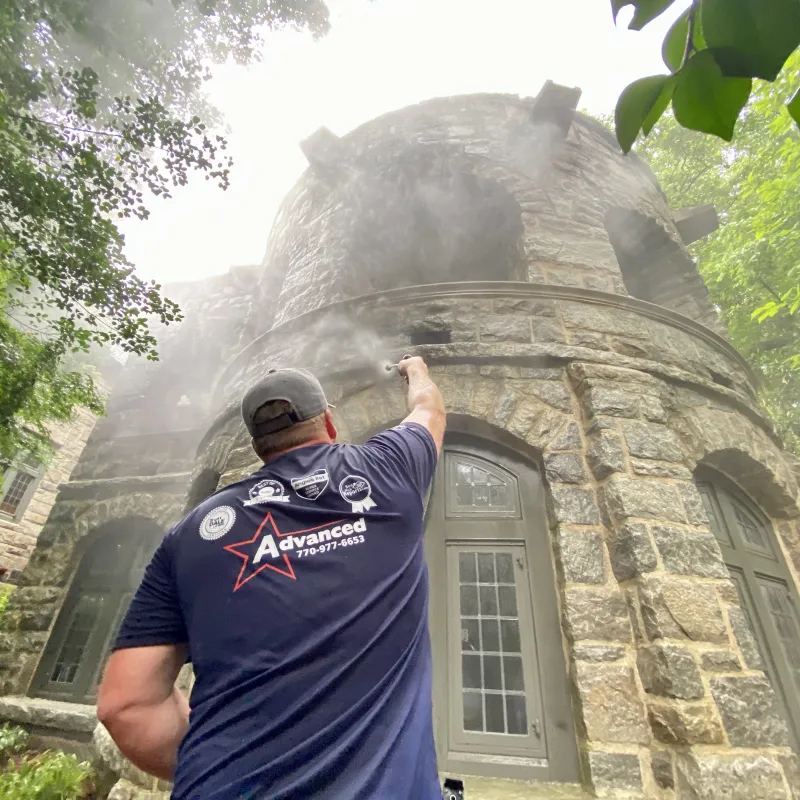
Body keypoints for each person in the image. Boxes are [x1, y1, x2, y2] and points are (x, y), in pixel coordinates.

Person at [97, 356, 446, 800]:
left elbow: (125, 705)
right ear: (330, 424)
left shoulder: (191, 533)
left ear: (259, 445)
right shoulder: (388, 468)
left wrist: (220, 767)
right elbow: (428, 410)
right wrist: (415, 369)